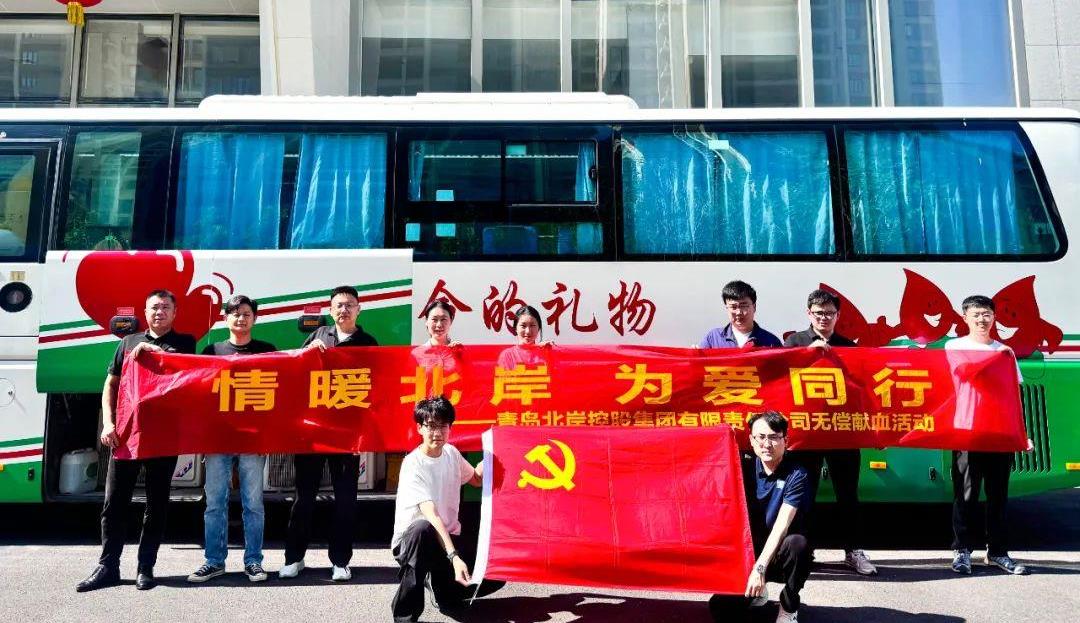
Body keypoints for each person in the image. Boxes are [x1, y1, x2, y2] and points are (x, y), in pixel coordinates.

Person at [76, 289, 197, 592]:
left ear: (175, 313)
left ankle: (146, 567)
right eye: (154, 307)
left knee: (157, 505)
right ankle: (108, 566)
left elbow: (189, 377)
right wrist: (109, 423)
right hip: (126, 436)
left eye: (165, 307)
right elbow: (111, 384)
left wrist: (153, 352)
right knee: (114, 503)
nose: (159, 312)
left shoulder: (186, 343)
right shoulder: (127, 342)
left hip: (163, 438)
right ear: (145, 312)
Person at [280, 285, 379, 582]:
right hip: (314, 431)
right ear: (331, 309)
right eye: (339, 305)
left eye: (349, 305)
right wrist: (306, 352)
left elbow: (377, 385)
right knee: (303, 497)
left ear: (359, 309)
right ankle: (294, 558)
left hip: (348, 434)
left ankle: (340, 561)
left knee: (346, 499)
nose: (344, 310)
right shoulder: (319, 335)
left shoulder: (368, 343)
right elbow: (296, 370)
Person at [782, 289, 877, 576]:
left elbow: (862, 390)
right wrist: (805, 355)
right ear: (808, 313)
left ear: (838, 315)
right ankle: (802, 552)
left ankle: (853, 551)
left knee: (848, 495)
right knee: (802, 494)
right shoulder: (794, 342)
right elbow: (781, 383)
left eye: (829, 313)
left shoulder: (849, 346)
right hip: (807, 433)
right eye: (818, 313)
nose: (824, 318)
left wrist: (874, 431)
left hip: (842, 433)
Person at [187, 295, 277, 584]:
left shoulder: (267, 351)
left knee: (254, 505)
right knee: (215, 503)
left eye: (246, 313)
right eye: (235, 313)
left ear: (255, 319)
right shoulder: (211, 351)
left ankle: (254, 561)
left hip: (252, 440)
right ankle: (214, 561)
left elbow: (279, 394)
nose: (241, 318)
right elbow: (199, 395)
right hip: (218, 439)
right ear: (225, 318)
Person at [945, 295, 1029, 576]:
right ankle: (962, 550)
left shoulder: (1005, 351)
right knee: (965, 494)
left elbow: (1013, 395)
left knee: (998, 495)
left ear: (994, 318)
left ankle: (998, 552)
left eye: (987, 314)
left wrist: (1021, 434)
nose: (982, 319)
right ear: (965, 318)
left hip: (999, 432)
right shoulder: (954, 346)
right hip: (967, 429)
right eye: (976, 314)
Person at [709, 411, 812, 623]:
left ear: (785, 440)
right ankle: (758, 592)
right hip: (750, 550)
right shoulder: (742, 468)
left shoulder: (797, 473)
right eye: (761, 437)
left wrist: (760, 568)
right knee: (720, 609)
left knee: (798, 544)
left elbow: (782, 526)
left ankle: (789, 605)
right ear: (751, 440)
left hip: (781, 551)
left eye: (774, 437)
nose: (767, 444)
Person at [391, 396, 482, 623]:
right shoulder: (413, 464)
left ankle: (441, 588)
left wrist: (493, 456)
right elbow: (431, 515)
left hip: (447, 539)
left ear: (450, 428)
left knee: (491, 575)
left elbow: (476, 479)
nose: (437, 433)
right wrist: (454, 557)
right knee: (422, 529)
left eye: (443, 426)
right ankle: (404, 614)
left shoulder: (452, 453)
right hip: (414, 542)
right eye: (431, 426)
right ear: (419, 428)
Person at [699, 280, 782, 348]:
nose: (738, 312)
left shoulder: (771, 342)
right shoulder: (713, 338)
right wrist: (695, 353)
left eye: (744, 306)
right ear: (727, 308)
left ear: (754, 307)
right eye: (733, 307)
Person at [496, 305, 552, 371]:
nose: (528, 331)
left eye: (532, 325)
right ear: (515, 328)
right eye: (523, 326)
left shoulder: (546, 353)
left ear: (538, 328)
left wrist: (552, 351)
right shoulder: (507, 355)